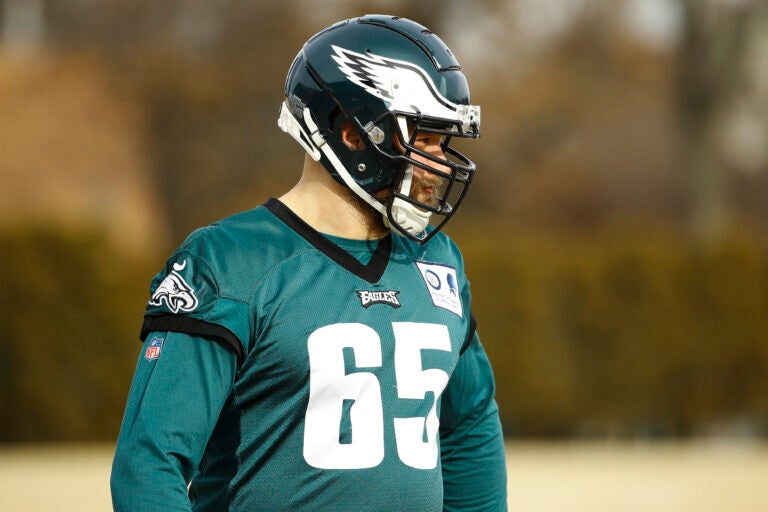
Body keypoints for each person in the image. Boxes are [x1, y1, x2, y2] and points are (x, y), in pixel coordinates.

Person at [110, 14, 507, 512]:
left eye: (442, 142)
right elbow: (150, 465)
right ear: (353, 134)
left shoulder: (439, 261)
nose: (439, 162)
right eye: (422, 138)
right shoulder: (230, 262)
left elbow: (468, 424)